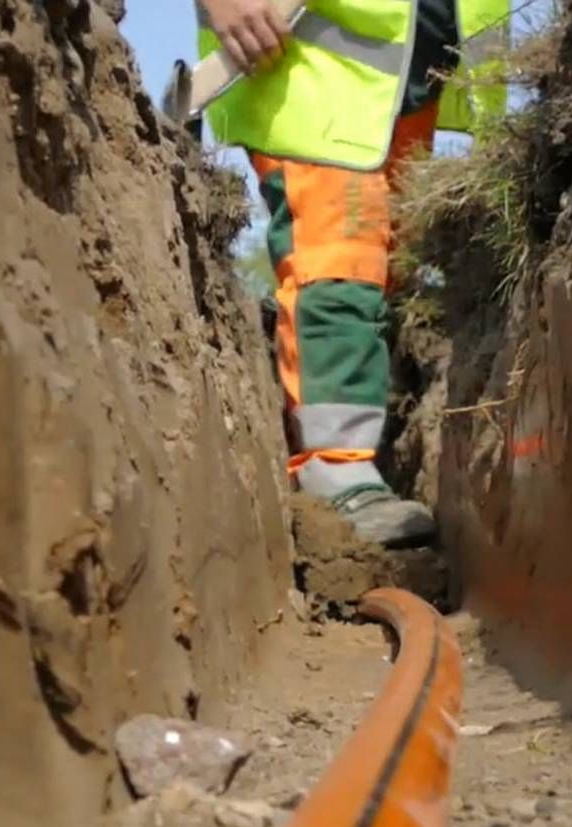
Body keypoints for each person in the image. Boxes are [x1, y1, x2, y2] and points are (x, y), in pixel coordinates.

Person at [194, 0, 509, 546]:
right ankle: (335, 467)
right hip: (311, 70)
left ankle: (363, 457)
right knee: (341, 261)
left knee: (387, 276)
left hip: (406, 83)